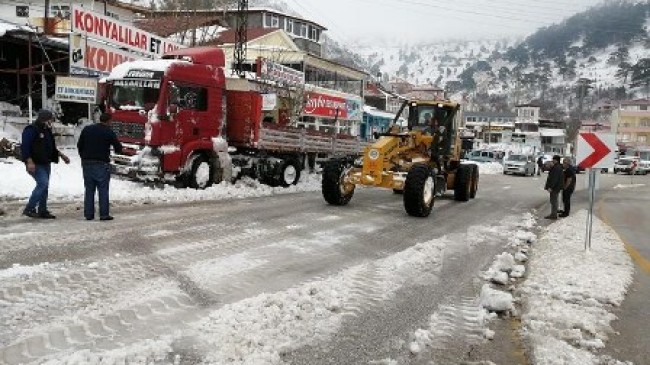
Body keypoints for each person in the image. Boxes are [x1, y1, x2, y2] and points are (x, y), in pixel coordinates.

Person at [21, 109, 71, 219]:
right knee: (42, 183)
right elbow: (25, 146)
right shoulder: (31, 129)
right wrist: (29, 161)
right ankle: (30, 208)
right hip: (35, 163)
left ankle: (42, 210)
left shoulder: (47, 130)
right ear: (44, 119)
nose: (51, 122)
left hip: (45, 162)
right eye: (50, 119)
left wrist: (61, 155)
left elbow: (51, 147)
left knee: (45, 186)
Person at [77, 113, 123, 221]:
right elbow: (118, 148)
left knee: (89, 189)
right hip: (101, 163)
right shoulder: (109, 131)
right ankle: (104, 214)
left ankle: (89, 214)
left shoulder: (87, 129)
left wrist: (84, 157)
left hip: (87, 163)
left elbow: (80, 145)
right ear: (109, 121)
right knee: (103, 189)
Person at [544, 155, 564, 220]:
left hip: (555, 188)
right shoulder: (557, 167)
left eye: (553, 159)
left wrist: (551, 187)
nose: (553, 160)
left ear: (556, 160)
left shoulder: (557, 168)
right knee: (554, 200)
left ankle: (553, 214)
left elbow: (554, 179)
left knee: (553, 201)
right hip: (556, 187)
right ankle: (553, 213)